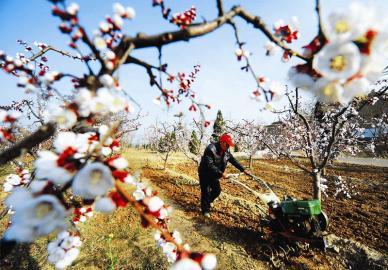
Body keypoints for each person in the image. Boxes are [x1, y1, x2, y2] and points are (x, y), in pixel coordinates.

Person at [198, 133, 251, 217]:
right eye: (227, 144)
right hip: (205, 173)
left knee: (217, 191)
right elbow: (210, 165)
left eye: (229, 145)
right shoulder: (210, 149)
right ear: (222, 142)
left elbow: (233, 160)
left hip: (215, 173)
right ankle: (205, 210)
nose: (228, 147)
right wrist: (222, 174)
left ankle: (207, 202)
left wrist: (243, 170)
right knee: (206, 191)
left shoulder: (226, 150)